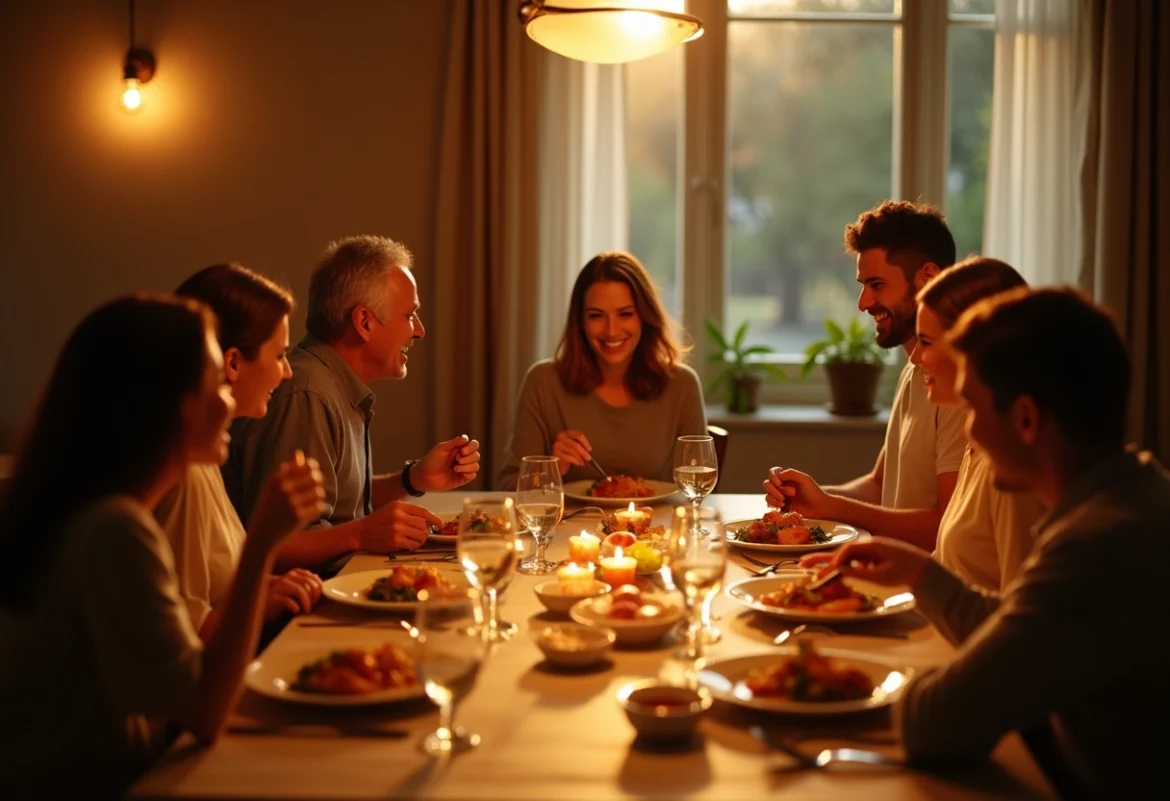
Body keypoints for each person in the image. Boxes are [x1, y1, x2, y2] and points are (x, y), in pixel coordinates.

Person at [803, 288, 1169, 799]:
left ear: (1024, 419)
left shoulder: (1098, 547)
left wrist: (850, 681)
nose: (968, 427)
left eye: (972, 405)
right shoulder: (1133, 495)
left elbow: (934, 724)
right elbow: (1026, 633)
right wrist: (920, 573)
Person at [0, 295, 325, 799]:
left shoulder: (99, 511)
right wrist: (263, 542)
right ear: (179, 404)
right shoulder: (114, 531)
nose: (228, 396)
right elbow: (204, 711)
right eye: (219, 380)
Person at [222, 235, 480, 574]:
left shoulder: (330, 383)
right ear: (364, 322)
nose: (419, 331)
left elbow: (342, 504)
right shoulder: (307, 395)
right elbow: (274, 545)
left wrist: (413, 478)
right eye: (410, 315)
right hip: (303, 615)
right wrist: (361, 533)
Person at [765, 200, 966, 549]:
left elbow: (945, 526)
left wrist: (833, 507)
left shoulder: (956, 383)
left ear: (929, 277)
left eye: (876, 285)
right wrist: (811, 497)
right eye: (863, 285)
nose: (863, 302)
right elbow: (878, 485)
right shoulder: (914, 368)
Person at [156, 264, 324, 640]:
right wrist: (261, 594)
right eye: (280, 356)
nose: (287, 372)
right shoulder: (184, 470)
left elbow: (218, 585)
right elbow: (182, 635)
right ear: (231, 363)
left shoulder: (206, 451)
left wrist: (269, 585)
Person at [496, 251, 706, 490]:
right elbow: (508, 487)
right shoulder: (543, 382)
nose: (612, 331)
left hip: (658, 526)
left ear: (645, 317)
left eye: (625, 314)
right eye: (596, 316)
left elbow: (695, 490)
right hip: (569, 526)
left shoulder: (682, 385)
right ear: (581, 323)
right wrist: (553, 469)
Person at [911, 257, 1046, 590]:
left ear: (974, 350)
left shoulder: (1011, 467)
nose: (915, 358)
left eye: (926, 342)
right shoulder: (979, 443)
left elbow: (1020, 619)